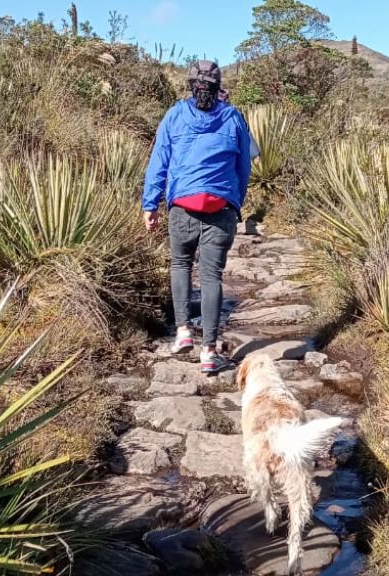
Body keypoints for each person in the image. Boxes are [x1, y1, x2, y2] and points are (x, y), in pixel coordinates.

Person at [142, 60, 253, 374]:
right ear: (218, 88)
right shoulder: (234, 118)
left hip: (182, 207)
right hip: (221, 208)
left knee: (180, 264)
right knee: (211, 277)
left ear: (191, 86)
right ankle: (209, 351)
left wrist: (150, 205)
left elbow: (159, 161)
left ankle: (183, 333)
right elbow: (244, 167)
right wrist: (234, 200)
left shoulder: (175, 115)